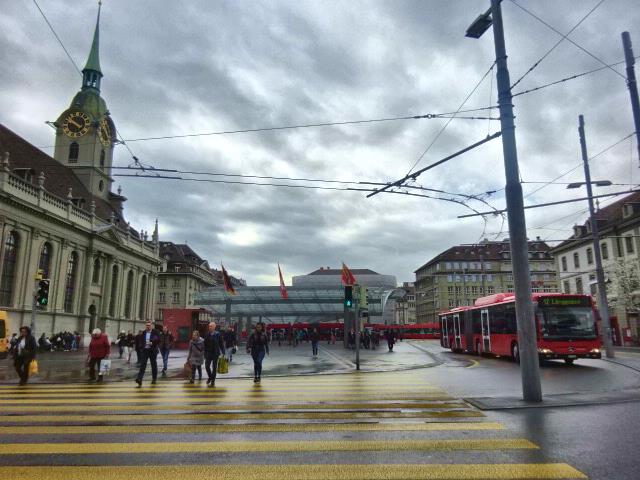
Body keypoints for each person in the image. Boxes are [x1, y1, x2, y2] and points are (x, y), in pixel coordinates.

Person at [135, 321, 160, 386]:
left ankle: (154, 379)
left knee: (153, 365)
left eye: (149, 325)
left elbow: (159, 340)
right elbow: (141, 341)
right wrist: (141, 347)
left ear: (151, 326)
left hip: (153, 350)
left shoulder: (155, 332)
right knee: (142, 365)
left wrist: (152, 343)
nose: (148, 326)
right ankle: (139, 379)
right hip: (145, 350)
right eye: (146, 325)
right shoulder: (143, 332)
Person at [203, 322, 225, 387]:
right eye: (209, 326)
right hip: (208, 353)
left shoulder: (218, 334)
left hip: (215, 353)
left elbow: (221, 343)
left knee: (214, 367)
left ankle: (213, 380)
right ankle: (210, 377)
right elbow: (205, 344)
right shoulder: (207, 334)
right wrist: (204, 352)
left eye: (211, 326)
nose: (209, 327)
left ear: (214, 327)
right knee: (207, 366)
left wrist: (223, 352)